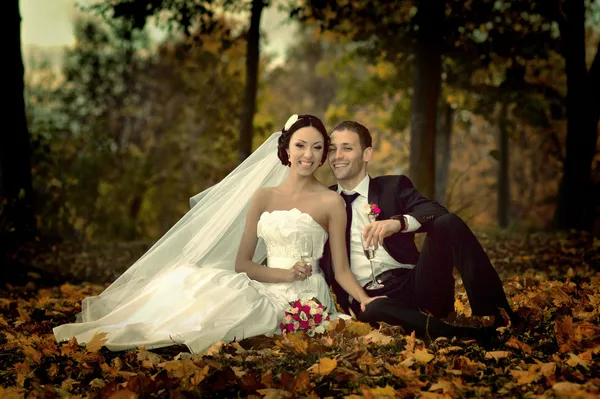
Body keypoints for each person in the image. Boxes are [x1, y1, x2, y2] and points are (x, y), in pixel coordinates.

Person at [52, 114, 378, 354]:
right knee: (196, 279)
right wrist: (282, 272)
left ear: (323, 155)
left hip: (303, 297)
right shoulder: (263, 197)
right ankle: (148, 327)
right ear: (287, 150)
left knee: (240, 303)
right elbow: (242, 264)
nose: (308, 154)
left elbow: (343, 270)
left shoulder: (331, 201)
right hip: (266, 280)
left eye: (317, 147)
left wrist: (365, 301)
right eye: (301, 145)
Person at [321, 120, 522, 342]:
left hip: (417, 283)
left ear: (367, 154)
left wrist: (398, 223)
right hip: (370, 299)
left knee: (448, 223)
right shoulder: (322, 203)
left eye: (347, 148)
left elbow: (436, 210)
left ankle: (493, 313)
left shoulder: (392, 187)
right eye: (332, 149)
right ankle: (464, 335)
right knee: (374, 310)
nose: (337, 155)